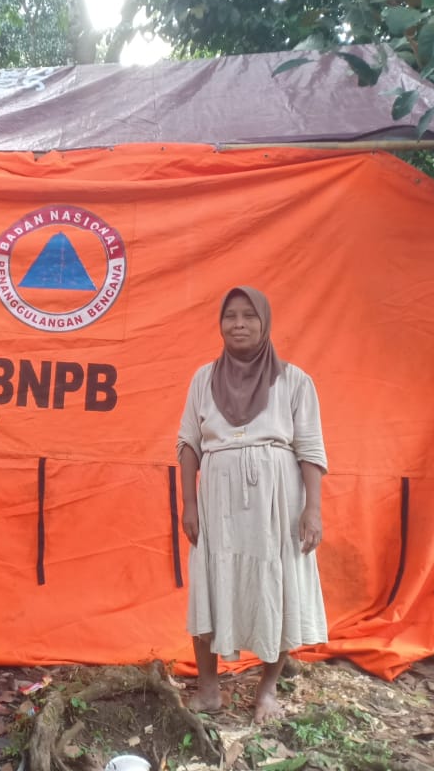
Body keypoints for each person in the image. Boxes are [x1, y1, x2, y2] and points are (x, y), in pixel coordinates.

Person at [176, 286, 327, 724]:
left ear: (265, 323)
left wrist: (312, 508)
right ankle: (208, 692)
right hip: (216, 500)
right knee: (209, 581)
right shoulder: (203, 379)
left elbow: (311, 449)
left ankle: (266, 691)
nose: (238, 324)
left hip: (277, 502)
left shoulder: (295, 381)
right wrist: (188, 503)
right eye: (229, 316)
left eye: (249, 316)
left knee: (275, 584)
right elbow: (188, 443)